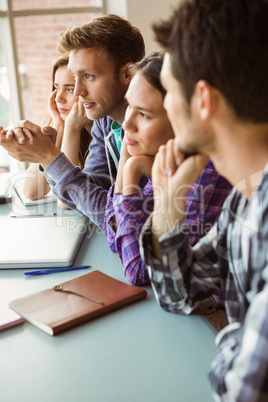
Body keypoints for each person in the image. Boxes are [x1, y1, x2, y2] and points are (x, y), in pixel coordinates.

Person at [139, 0, 268, 400]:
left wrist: (237, 332)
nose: (168, 107)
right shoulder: (246, 199)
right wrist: (167, 207)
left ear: (204, 100)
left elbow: (237, 391)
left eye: (171, 92)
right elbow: (181, 294)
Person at [0, 14, 145, 227]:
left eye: (88, 76)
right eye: (74, 78)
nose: (78, 91)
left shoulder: (150, 126)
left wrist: (49, 157)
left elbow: (117, 219)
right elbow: (86, 194)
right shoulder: (105, 123)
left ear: (127, 74)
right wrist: (46, 153)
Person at [105, 52, 232, 287]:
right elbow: (115, 237)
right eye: (129, 106)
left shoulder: (205, 174)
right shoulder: (163, 155)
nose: (126, 124)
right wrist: (126, 160)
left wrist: (131, 172)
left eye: (143, 114)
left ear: (180, 117)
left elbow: (139, 270)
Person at [23, 56, 92, 208]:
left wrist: (71, 128)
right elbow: (32, 191)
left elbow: (68, 201)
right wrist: (59, 127)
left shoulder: (102, 133)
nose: (59, 98)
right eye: (56, 88)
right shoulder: (60, 122)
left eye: (70, 89)